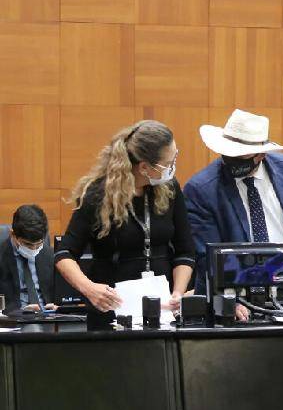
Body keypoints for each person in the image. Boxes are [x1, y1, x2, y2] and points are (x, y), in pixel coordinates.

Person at [184, 110, 283, 317]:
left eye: (241, 156)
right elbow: (207, 257)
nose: (232, 160)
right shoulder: (202, 189)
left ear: (261, 154)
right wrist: (226, 302)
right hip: (237, 303)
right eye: (228, 154)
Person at [55, 120, 195, 319]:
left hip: (163, 308)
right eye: (167, 164)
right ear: (144, 167)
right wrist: (89, 288)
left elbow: (185, 250)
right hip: (112, 308)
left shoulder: (170, 188)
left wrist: (178, 293)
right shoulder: (98, 195)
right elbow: (64, 254)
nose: (172, 168)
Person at [0, 205, 56, 313]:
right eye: (28, 244)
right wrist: (19, 312)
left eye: (38, 244)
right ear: (13, 234)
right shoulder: (2, 256)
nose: (34, 249)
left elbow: (62, 297)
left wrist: (59, 307)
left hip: (48, 317)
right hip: (14, 319)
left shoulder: (50, 255)